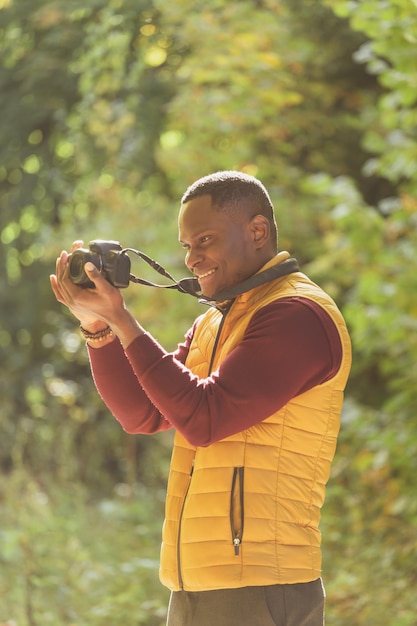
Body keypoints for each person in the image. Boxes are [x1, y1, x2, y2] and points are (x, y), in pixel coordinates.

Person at [50, 170, 351, 626]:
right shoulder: (215, 322)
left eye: (204, 240)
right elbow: (145, 413)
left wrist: (125, 321)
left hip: (259, 586)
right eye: (187, 245)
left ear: (257, 232)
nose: (192, 259)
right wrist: (99, 328)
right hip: (197, 585)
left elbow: (205, 418)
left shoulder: (297, 314)